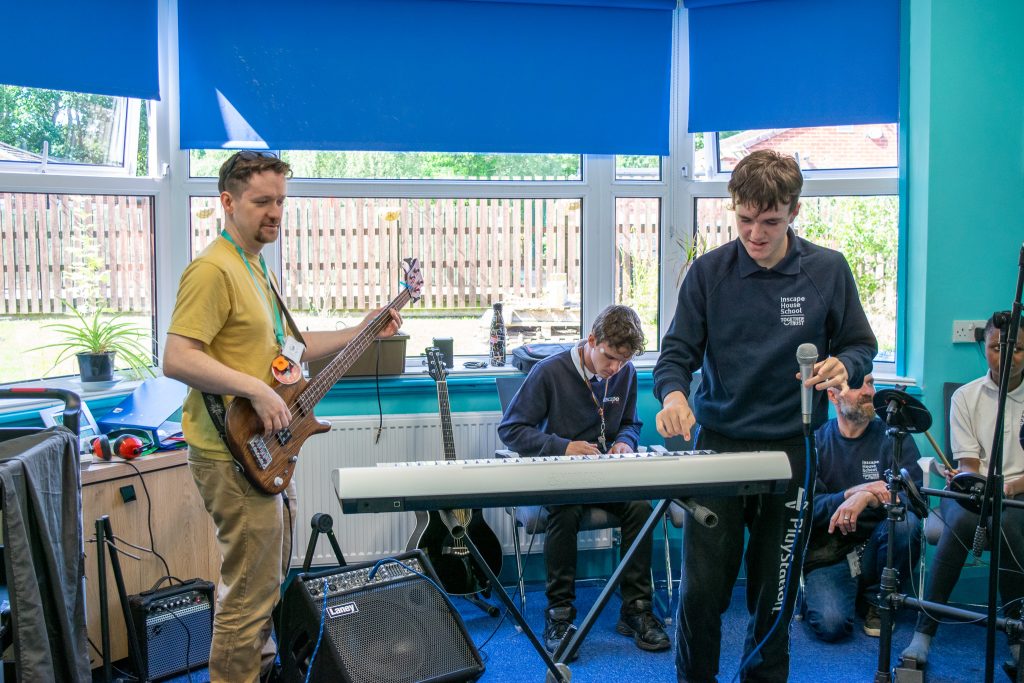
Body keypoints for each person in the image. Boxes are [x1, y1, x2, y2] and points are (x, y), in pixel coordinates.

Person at [163, 151, 401, 683]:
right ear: (227, 202)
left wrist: (362, 329)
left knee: (264, 584)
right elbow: (177, 357)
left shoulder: (254, 265)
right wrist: (256, 390)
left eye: (281, 202)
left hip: (264, 448)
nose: (275, 213)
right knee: (247, 595)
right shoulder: (212, 270)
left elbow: (289, 350)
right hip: (229, 452)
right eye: (262, 201)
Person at [653, 149, 878, 682]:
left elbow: (860, 345)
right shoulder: (708, 273)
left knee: (772, 595)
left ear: (794, 212)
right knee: (702, 593)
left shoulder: (827, 269)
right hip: (719, 447)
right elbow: (676, 355)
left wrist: (842, 365)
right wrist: (673, 397)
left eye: (770, 221)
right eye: (745, 219)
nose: (755, 233)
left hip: (791, 452)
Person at [497, 304, 670, 656]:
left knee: (641, 507)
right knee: (566, 508)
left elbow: (631, 423)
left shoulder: (626, 371)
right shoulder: (549, 372)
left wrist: (625, 442)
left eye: (623, 361)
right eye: (609, 358)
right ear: (591, 340)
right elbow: (511, 431)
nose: (614, 369)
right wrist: (563, 447)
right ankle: (559, 615)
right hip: (562, 476)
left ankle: (636, 610)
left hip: (606, 473)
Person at [900, 313, 1024, 673]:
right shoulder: (965, 397)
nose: (1005, 356)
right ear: (983, 349)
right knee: (958, 520)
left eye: (1016, 349)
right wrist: (977, 484)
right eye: (996, 347)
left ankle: (1016, 636)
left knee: (1011, 525)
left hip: (1018, 496)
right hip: (977, 493)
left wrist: (1007, 488)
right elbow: (968, 464)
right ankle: (924, 633)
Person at [802, 374, 923, 642]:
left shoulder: (893, 438)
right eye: (858, 385)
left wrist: (869, 498)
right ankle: (838, 592)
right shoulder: (816, 441)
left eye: (870, 383)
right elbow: (807, 508)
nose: (869, 391)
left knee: (906, 523)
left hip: (879, 550)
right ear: (833, 396)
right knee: (830, 626)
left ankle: (877, 600)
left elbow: (914, 500)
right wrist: (853, 493)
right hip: (831, 553)